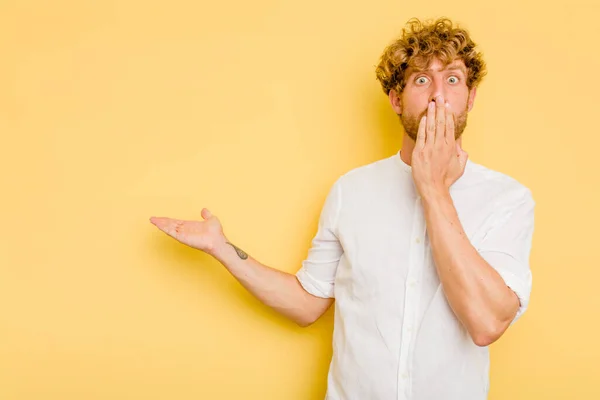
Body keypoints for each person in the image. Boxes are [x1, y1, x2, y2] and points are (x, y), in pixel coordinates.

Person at [149, 17, 535, 400]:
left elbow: (487, 324)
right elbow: (306, 304)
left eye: (452, 79)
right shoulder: (351, 191)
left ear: (470, 96)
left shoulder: (507, 199)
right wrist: (222, 248)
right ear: (397, 99)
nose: (438, 95)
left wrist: (433, 189)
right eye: (421, 80)